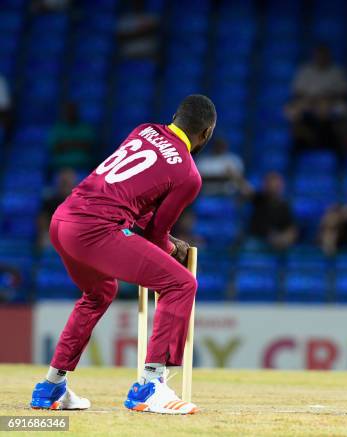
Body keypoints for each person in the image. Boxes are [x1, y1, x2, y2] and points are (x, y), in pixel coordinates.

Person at [30, 95, 216, 414]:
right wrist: (172, 250)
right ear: (207, 133)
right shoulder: (189, 174)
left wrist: (166, 241)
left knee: (100, 292)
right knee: (181, 285)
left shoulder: (145, 130)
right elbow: (155, 233)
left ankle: (51, 387)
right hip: (95, 229)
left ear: (175, 116)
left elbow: (134, 204)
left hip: (63, 220)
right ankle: (149, 386)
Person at [247, 172, 298, 251]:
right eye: (271, 183)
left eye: (277, 184)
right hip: (257, 241)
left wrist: (284, 239)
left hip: (277, 243)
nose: (274, 187)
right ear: (265, 185)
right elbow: (246, 191)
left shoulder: (284, 206)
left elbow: (291, 228)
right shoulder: (259, 199)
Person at [37, 168, 78, 250]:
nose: (65, 185)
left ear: (74, 183)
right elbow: (42, 220)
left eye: (68, 182)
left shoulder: (81, 201)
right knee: (43, 241)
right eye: (63, 182)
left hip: (75, 235)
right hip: (53, 234)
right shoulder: (49, 200)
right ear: (58, 183)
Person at [48, 102, 95, 171]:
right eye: (68, 111)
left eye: (72, 110)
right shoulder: (57, 128)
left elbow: (88, 146)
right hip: (60, 168)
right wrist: (77, 143)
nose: (70, 113)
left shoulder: (85, 128)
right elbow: (55, 147)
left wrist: (65, 143)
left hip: (82, 167)